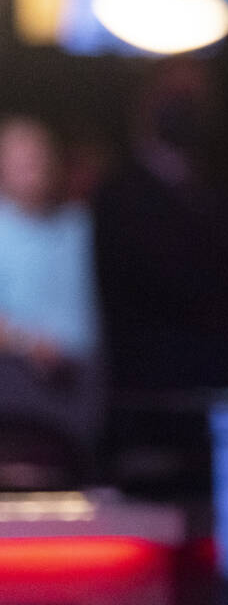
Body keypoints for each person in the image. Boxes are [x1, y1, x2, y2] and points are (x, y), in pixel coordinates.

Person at [0, 115, 104, 483]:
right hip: (17, 389)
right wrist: (28, 344)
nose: (34, 169)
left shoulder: (79, 224)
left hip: (82, 390)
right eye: (22, 160)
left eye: (40, 157)